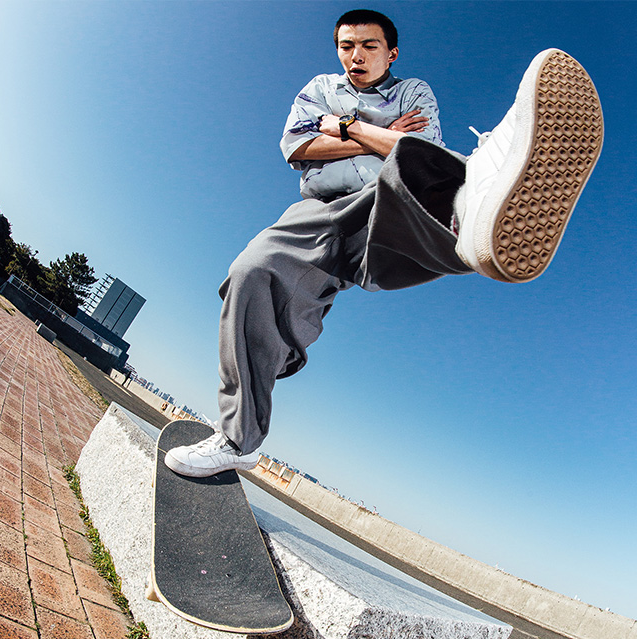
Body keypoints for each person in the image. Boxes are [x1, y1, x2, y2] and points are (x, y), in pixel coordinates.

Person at [165, 8, 603, 478]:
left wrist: (346, 127)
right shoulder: (321, 88)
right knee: (251, 273)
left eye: (368, 46)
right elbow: (296, 146)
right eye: (346, 46)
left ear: (390, 53)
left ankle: (479, 204)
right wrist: (383, 136)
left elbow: (418, 154)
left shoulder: (414, 92)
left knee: (419, 176)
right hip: (322, 210)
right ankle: (239, 439)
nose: (356, 56)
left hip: (388, 202)